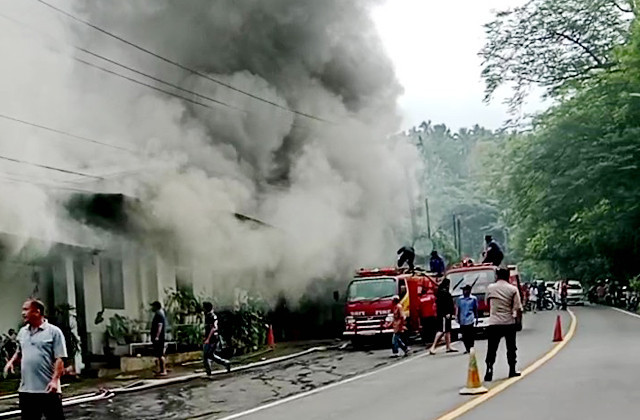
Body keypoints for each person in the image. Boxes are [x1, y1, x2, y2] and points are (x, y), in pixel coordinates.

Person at [3, 299, 67, 420]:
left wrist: (55, 381)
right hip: (26, 390)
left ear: (37, 312)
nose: (23, 313)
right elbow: (19, 351)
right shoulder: (23, 332)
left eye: (26, 309)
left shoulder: (54, 332)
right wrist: (11, 362)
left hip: (48, 390)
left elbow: (59, 359)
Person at [484, 268, 523, 381]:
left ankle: (489, 369)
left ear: (497, 276)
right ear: (507, 277)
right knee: (511, 348)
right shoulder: (512, 289)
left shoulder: (490, 288)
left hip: (494, 323)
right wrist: (518, 322)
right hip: (508, 322)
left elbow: (487, 304)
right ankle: (512, 370)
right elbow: (518, 308)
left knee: (492, 348)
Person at [429, 278, 457, 354]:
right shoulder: (444, 293)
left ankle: (448, 346)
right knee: (441, 330)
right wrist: (448, 313)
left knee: (447, 330)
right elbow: (447, 304)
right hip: (444, 315)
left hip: (443, 314)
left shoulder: (440, 292)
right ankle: (433, 347)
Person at [202, 302, 231, 374]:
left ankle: (224, 363)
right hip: (209, 338)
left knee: (207, 355)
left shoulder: (212, 316)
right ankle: (224, 363)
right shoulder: (208, 315)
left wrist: (208, 338)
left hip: (213, 338)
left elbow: (213, 328)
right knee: (208, 355)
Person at [456, 284, 478, 353]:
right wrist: (457, 317)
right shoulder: (460, 299)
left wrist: (477, 318)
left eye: (465, 290)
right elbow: (458, 309)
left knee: (470, 334)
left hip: (470, 318)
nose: (464, 291)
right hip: (462, 319)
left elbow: (475, 309)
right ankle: (467, 348)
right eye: (463, 290)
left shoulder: (473, 299)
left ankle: (471, 347)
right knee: (464, 335)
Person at [150, 301, 167, 376]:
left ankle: (163, 370)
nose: (152, 308)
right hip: (158, 337)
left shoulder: (159, 314)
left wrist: (157, 336)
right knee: (158, 355)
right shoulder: (159, 313)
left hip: (159, 338)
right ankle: (160, 370)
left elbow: (160, 326)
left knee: (160, 355)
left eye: (153, 306)